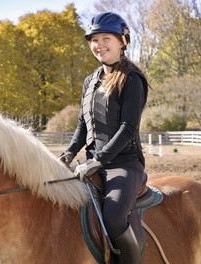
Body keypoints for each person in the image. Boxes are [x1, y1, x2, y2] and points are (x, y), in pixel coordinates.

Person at [59, 12, 149, 264]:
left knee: (112, 217)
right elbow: (82, 123)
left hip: (123, 165)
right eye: (94, 40)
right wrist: (70, 152)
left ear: (122, 40)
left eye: (106, 38)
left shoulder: (132, 80)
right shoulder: (90, 81)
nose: (99, 45)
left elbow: (128, 128)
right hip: (91, 163)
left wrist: (98, 160)